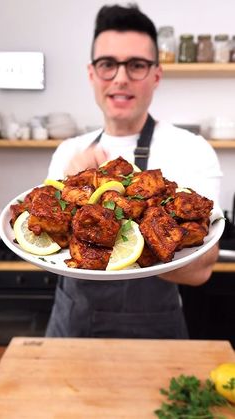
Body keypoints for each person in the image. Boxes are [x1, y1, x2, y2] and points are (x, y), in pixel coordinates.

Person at [46, 3, 222, 339]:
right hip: (71, 331)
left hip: (155, 334)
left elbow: (201, 268)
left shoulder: (191, 148)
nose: (121, 77)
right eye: (108, 64)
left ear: (156, 74)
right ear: (92, 74)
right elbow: (45, 245)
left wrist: (140, 243)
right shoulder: (68, 153)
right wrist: (73, 190)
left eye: (136, 65)